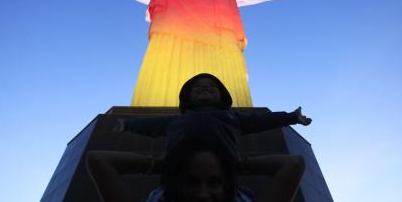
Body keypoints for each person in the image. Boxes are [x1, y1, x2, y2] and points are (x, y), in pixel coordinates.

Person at [54, 0, 331, 107]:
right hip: (173, 35)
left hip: (219, 39)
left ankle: (228, 110)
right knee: (161, 89)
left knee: (224, 83)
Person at [86, 134, 306, 202]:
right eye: (190, 181)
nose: (202, 195)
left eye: (213, 182)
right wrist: (164, 164)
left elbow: (294, 164)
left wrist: (232, 164)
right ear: (174, 186)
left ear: (227, 187)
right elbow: (97, 160)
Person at [112, 73, 312, 163]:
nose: (204, 89)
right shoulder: (176, 120)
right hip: (178, 171)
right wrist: (128, 124)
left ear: (222, 95)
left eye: (211, 87)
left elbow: (260, 121)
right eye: (197, 88)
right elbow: (152, 125)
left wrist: (292, 117)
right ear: (187, 97)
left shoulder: (232, 117)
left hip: (225, 170)